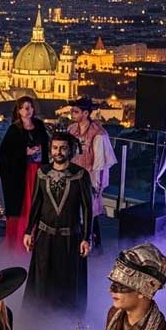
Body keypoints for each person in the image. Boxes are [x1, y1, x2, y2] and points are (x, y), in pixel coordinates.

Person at [23, 132, 94, 311]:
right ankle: (40, 318)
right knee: (42, 282)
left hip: (70, 237)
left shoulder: (80, 174)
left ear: (70, 150)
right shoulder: (42, 172)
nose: (58, 152)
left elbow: (87, 208)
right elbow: (36, 203)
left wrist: (86, 238)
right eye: (55, 148)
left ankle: (66, 320)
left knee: (67, 283)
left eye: (63, 148)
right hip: (45, 237)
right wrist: (28, 231)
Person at [0, 96, 50, 254]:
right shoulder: (14, 129)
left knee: (38, 204)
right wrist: (24, 152)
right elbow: (3, 155)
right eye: (24, 108)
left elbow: (46, 146)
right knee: (25, 206)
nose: (28, 110)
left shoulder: (39, 125)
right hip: (22, 175)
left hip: (39, 171)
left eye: (30, 107)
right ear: (19, 111)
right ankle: (20, 245)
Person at [67, 97, 117, 247]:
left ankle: (93, 244)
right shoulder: (72, 129)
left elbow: (99, 163)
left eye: (76, 111)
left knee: (89, 213)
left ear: (86, 113)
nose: (72, 114)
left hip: (89, 177)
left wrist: (96, 185)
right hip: (72, 175)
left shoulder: (98, 134)